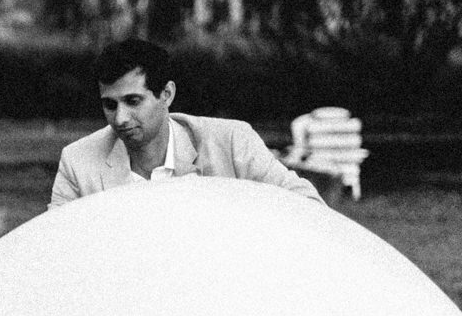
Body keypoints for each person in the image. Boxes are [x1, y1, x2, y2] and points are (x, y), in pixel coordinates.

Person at [50, 38, 322, 208]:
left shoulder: (231, 142)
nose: (119, 119)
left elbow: (308, 207)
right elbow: (54, 247)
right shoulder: (77, 161)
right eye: (110, 105)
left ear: (167, 94)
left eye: (133, 101)